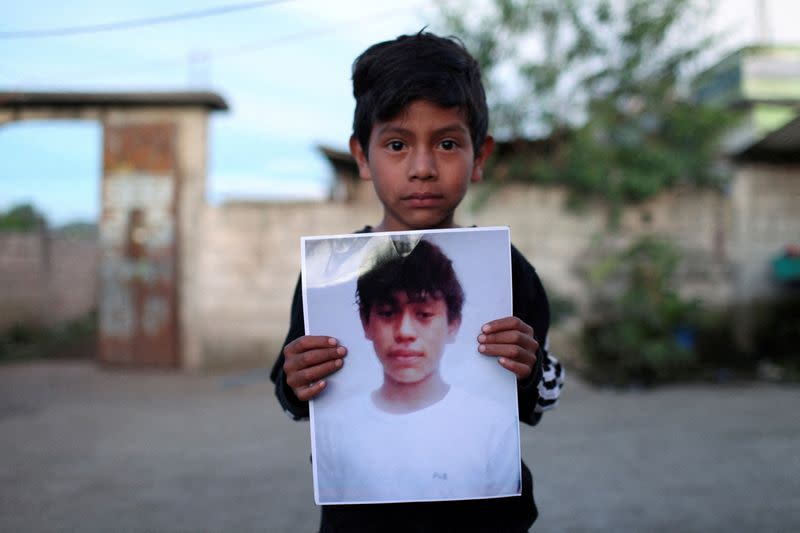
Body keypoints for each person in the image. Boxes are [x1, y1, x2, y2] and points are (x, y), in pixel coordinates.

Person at [270, 31, 565, 533]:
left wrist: (530, 367)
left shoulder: (508, 270)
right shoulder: (332, 275)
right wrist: (297, 383)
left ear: (480, 157)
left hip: (487, 519)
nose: (423, 168)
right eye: (397, 144)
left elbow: (540, 396)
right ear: (362, 157)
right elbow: (290, 386)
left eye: (448, 143)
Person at [313, 237, 520, 504]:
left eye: (423, 314)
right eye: (388, 313)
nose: (405, 332)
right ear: (366, 322)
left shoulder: (494, 426)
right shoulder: (333, 428)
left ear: (453, 324)